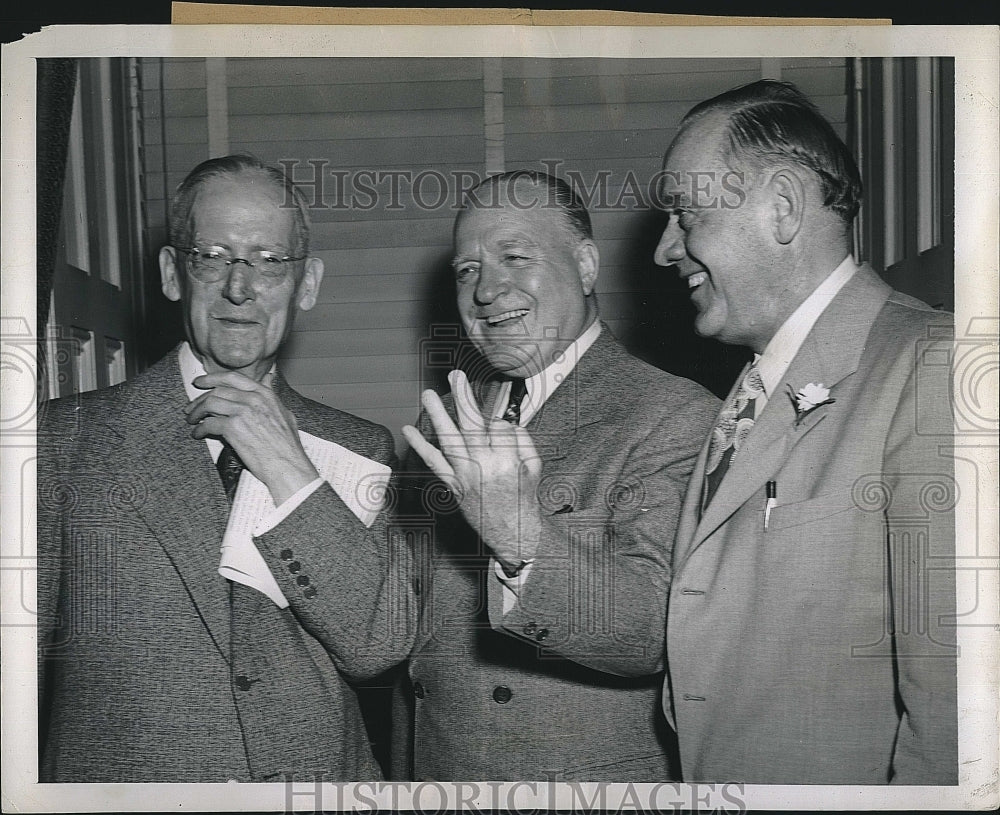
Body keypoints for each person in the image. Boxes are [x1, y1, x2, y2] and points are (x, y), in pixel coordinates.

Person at [36, 154, 413, 782]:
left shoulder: (360, 446)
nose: (241, 288)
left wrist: (292, 473)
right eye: (213, 256)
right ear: (172, 273)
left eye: (270, 262)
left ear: (308, 283)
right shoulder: (63, 440)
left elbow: (377, 647)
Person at [654, 80, 957, 784]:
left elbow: (957, 716)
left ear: (782, 208)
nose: (665, 250)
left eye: (686, 213)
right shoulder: (752, 388)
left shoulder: (931, 364)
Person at [395, 170, 719, 781]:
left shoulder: (671, 415)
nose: (486, 290)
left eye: (515, 257)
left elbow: (650, 632)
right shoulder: (445, 419)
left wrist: (521, 537)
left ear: (587, 266)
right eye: (467, 270)